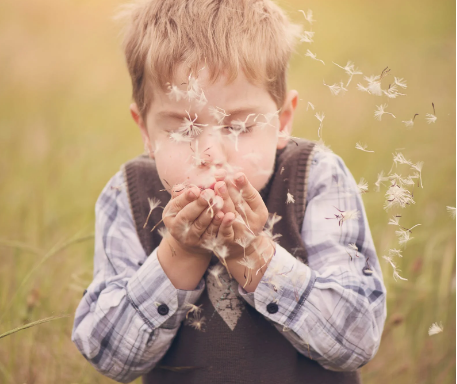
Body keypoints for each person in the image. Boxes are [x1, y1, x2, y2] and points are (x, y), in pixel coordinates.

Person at [72, 1, 387, 383]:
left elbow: (357, 338)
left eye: (239, 127)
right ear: (145, 130)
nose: (211, 154)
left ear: (283, 119)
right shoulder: (128, 194)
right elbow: (109, 355)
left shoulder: (317, 178)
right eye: (183, 129)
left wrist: (250, 253)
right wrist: (179, 253)